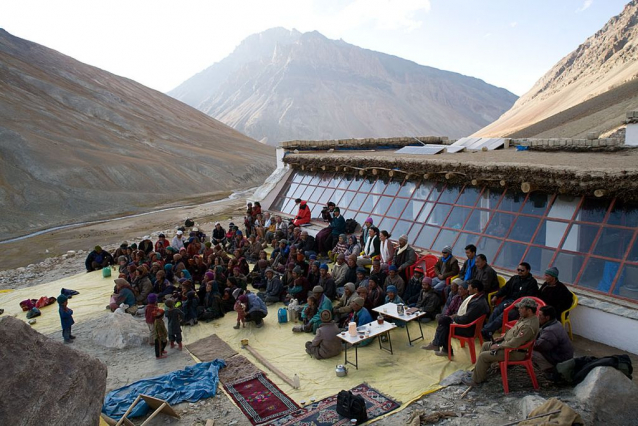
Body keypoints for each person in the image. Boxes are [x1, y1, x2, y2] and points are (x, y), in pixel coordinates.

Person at [462, 297, 540, 387]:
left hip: (515, 352)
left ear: (529, 310)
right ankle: (479, 373)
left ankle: (476, 380)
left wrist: (499, 345)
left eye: (521, 308)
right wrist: (502, 338)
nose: (519, 310)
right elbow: (513, 332)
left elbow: (514, 343)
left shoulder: (528, 326)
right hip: (510, 346)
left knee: (483, 356)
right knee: (485, 345)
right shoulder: (526, 318)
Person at [423, 280, 489, 357]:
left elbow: (465, 319)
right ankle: (437, 344)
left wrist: (454, 317)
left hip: (468, 329)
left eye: (469, 287)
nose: (468, 289)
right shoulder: (479, 298)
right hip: (471, 324)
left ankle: (439, 346)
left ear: (475, 289)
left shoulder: (476, 303)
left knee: (444, 325)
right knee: (443, 320)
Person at [482, 262, 539, 340]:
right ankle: (488, 332)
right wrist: (496, 296)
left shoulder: (532, 283)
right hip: (509, 300)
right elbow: (505, 288)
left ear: (528, 271)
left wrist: (514, 304)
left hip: (519, 306)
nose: (519, 272)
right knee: (496, 311)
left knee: (503, 316)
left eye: (522, 270)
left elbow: (528, 298)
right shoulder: (515, 278)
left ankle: (485, 330)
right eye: (518, 270)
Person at [533, 305, 574, 374]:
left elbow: (539, 346)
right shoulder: (556, 322)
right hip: (565, 356)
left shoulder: (549, 331)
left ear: (547, 317)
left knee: (530, 352)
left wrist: (527, 341)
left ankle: (551, 369)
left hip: (561, 360)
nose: (538, 317)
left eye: (540, 315)